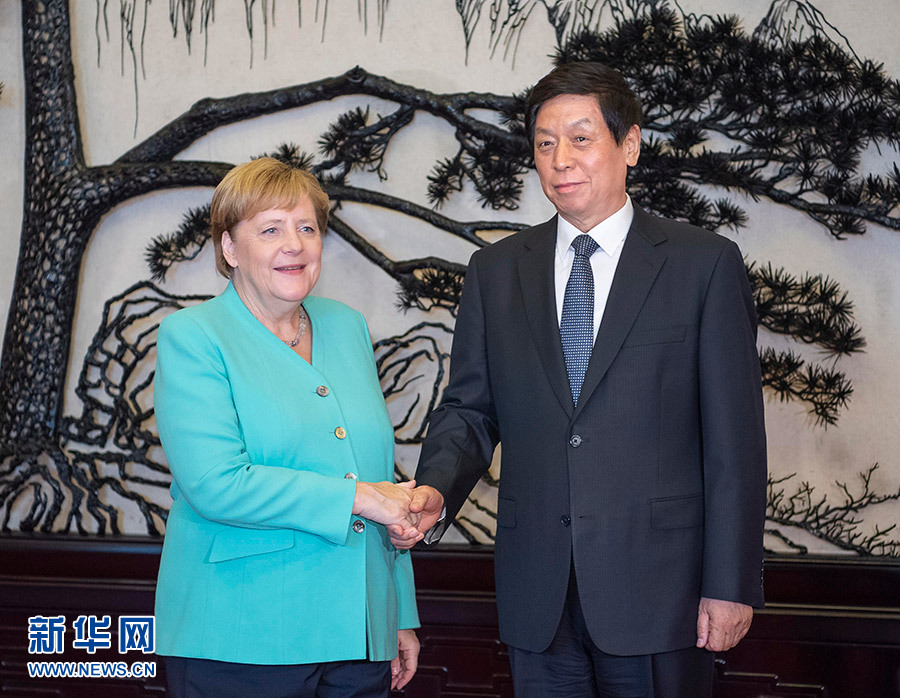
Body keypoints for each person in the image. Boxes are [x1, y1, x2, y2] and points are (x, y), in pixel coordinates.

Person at [396, 62, 767, 697]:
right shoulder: (495, 270)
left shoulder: (703, 265)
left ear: (630, 144)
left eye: (580, 138)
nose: (560, 159)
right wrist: (435, 488)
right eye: (545, 143)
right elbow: (470, 410)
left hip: (662, 591)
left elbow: (735, 441)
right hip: (537, 590)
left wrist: (730, 584)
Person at [154, 157, 423, 698]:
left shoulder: (347, 326)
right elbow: (216, 484)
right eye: (271, 230)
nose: (294, 245)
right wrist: (359, 499)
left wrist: (398, 612)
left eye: (307, 228)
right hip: (240, 636)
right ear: (230, 248)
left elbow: (377, 477)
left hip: (359, 634)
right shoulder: (193, 337)